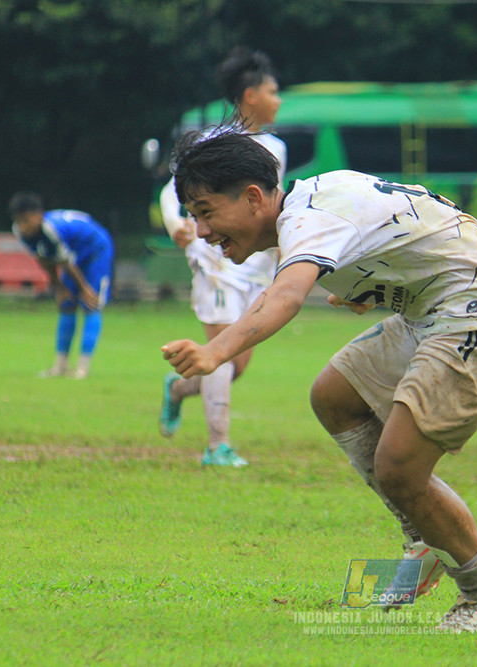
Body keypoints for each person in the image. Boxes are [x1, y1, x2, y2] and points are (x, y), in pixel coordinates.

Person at [161, 127, 477, 633]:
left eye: (206, 212)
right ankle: (424, 541)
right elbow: (407, 230)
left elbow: (284, 298)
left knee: (399, 466)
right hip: (433, 307)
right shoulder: (312, 203)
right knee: (334, 396)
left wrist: (214, 351)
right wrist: (365, 287)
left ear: (253, 197)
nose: (203, 231)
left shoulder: (308, 218)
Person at [158, 47, 286, 468]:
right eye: (273, 90)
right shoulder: (216, 142)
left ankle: (178, 390)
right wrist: (175, 223)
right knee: (221, 351)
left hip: (256, 262)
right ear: (251, 96)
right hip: (213, 255)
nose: (278, 99)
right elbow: (169, 189)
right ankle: (218, 447)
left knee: (235, 361)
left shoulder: (276, 149)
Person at [9, 192, 113, 380]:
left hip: (96, 250)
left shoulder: (51, 228)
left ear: (38, 215)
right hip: (73, 257)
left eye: (26, 220)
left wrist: (85, 288)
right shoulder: (19, 231)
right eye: (19, 221)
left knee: (91, 304)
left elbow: (65, 261)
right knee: (66, 305)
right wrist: (59, 288)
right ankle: (61, 365)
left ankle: (82, 367)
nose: (23, 226)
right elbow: (43, 259)